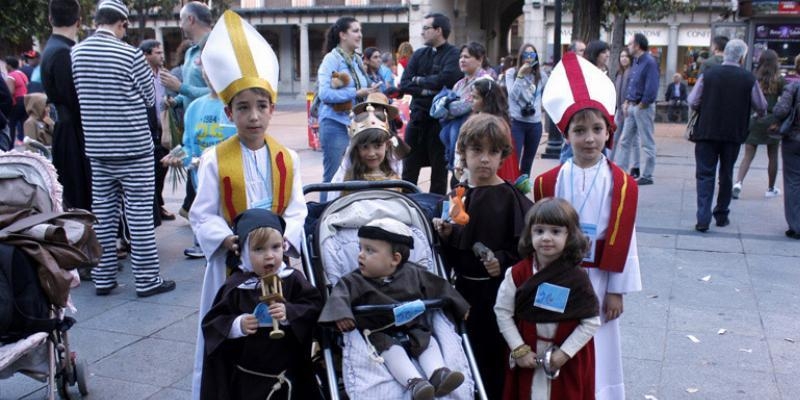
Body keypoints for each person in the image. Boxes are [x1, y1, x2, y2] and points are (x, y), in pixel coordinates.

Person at [188, 11, 308, 399]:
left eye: (261, 105)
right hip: (232, 266)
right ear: (229, 113)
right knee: (233, 328)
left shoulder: (286, 157)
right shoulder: (214, 159)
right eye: (242, 107)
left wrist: (281, 241)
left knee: (280, 325)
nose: (253, 116)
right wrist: (226, 241)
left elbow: (296, 210)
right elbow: (202, 213)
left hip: (277, 259)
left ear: (272, 108)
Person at [537, 51, 642, 399]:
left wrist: (617, 289)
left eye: (597, 129)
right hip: (558, 277)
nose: (589, 139)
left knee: (600, 344)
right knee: (558, 336)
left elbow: (626, 239)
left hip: (599, 278)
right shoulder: (549, 182)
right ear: (565, 134)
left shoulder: (621, 183)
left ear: (609, 131)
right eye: (579, 131)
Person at [71, 0, 174, 297]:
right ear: (123, 24)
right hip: (134, 147)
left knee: (103, 215)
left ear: (96, 21)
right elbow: (147, 96)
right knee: (139, 214)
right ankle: (147, 280)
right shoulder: (129, 55)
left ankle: (103, 277)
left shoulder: (76, 53)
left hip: (98, 147)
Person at [433, 114, 534, 399]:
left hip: (498, 294)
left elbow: (524, 249)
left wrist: (501, 260)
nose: (485, 159)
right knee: (464, 353)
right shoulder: (457, 196)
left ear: (503, 155)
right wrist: (445, 235)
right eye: (477, 150)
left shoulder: (511, 197)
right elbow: (451, 251)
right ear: (463, 153)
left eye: (493, 151)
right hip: (463, 291)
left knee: (494, 357)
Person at [318, 217, 470, 400]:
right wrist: (341, 315)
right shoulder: (353, 281)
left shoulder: (414, 273)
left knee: (428, 342)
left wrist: (460, 305)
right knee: (391, 351)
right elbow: (338, 297)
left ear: (395, 259)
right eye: (360, 248)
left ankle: (438, 373)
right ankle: (415, 382)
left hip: (413, 326)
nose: (360, 255)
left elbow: (440, 286)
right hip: (378, 332)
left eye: (369, 250)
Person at [200, 208, 322, 400]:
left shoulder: (292, 280)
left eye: (275, 247)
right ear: (244, 253)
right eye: (259, 249)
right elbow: (214, 324)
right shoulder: (237, 286)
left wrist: (289, 312)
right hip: (248, 379)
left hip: (289, 373)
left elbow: (313, 307)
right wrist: (237, 325)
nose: (269, 256)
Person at [495, 197, 601, 399]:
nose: (546, 238)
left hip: (564, 362)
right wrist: (519, 349)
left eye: (555, 231)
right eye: (539, 231)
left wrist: (564, 353)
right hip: (528, 356)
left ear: (569, 235)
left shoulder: (577, 278)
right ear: (530, 234)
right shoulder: (517, 274)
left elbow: (591, 321)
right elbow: (502, 311)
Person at [160, 46, 236, 259]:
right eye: (206, 68)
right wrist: (178, 156)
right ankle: (202, 244)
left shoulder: (234, 106)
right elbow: (189, 147)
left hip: (232, 185)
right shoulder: (194, 108)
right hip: (201, 183)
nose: (209, 74)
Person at [687, 39, 767, 232]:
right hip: (733, 133)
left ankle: (703, 218)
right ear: (742, 57)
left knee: (705, 174)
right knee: (726, 173)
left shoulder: (709, 74)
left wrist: (706, 107)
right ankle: (721, 214)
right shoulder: (748, 79)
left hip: (707, 131)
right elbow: (762, 106)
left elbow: (693, 100)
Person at [399, 12, 461, 195]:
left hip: (440, 124)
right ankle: (406, 207)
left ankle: (435, 215)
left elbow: (447, 79)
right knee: (409, 169)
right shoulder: (418, 54)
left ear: (438, 30)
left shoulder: (454, 54)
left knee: (439, 173)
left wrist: (418, 82)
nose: (422, 33)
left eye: (426, 28)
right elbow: (404, 84)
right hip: (417, 120)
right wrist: (429, 89)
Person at [317, 17, 377, 202]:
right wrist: (356, 92)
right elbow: (324, 93)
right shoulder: (331, 59)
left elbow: (362, 89)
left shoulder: (357, 60)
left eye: (360, 30)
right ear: (342, 35)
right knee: (333, 176)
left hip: (356, 124)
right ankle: (322, 217)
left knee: (355, 173)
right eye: (355, 30)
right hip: (334, 123)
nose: (360, 35)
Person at [41, 0, 92, 212]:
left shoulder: (55, 48)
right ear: (79, 22)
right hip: (74, 133)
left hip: (70, 130)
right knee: (80, 196)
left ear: (50, 19)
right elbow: (74, 99)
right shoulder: (64, 52)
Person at [328, 93, 402, 200]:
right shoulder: (348, 181)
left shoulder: (394, 175)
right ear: (357, 149)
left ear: (387, 145)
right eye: (365, 147)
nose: (371, 153)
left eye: (377, 146)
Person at [733, 49, 785, 199]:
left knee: (748, 155)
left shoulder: (753, 77)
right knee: (773, 155)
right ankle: (770, 188)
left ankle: (738, 183)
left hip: (755, 119)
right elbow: (784, 102)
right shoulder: (780, 80)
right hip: (772, 120)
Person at [437, 42, 491, 173]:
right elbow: (447, 111)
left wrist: (448, 106)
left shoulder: (485, 81)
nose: (462, 60)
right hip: (456, 137)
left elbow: (465, 106)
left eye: (466, 57)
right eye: (461, 57)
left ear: (480, 59)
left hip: (475, 135)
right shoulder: (459, 84)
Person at [615, 33, 660, 185]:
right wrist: (628, 101)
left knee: (647, 141)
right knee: (625, 140)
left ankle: (647, 175)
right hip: (634, 105)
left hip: (642, 106)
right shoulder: (637, 61)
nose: (628, 46)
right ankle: (621, 171)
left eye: (630, 44)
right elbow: (633, 84)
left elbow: (652, 87)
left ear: (637, 45)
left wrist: (642, 104)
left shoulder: (649, 62)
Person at [140, 39, 175, 222]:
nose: (161, 56)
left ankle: (158, 205)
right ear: (146, 55)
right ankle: (152, 209)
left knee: (162, 168)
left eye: (162, 52)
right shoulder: (140, 74)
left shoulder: (164, 75)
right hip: (146, 129)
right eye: (157, 53)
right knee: (151, 171)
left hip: (164, 128)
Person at [159, 1, 212, 112]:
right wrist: (176, 101)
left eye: (181, 19)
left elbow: (220, 92)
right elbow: (191, 89)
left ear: (191, 19)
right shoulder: (190, 52)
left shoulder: (216, 48)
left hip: (211, 124)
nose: (180, 25)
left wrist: (180, 87)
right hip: (191, 122)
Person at [506, 43, 548, 176]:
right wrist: (520, 76)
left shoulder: (541, 75)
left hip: (535, 124)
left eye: (532, 55)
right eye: (526, 55)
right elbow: (512, 95)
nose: (529, 58)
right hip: (517, 122)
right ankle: (512, 190)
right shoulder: (511, 73)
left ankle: (522, 192)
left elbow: (548, 93)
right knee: (514, 159)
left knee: (527, 163)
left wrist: (541, 106)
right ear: (521, 57)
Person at [470, 78, 521, 183]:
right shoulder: (477, 116)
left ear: (486, 100)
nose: (471, 101)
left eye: (475, 98)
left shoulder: (496, 124)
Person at [773, 54, 800, 240]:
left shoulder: (793, 87)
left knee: (792, 181)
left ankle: (796, 225)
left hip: (794, 138)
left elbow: (781, 110)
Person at [558, 40, 587, 163]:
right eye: (581, 51)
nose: (584, 54)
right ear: (572, 53)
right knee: (568, 150)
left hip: (581, 114)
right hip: (569, 116)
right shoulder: (565, 70)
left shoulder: (584, 68)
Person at [609, 49, 635, 169]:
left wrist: (627, 103)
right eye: (622, 56)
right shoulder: (619, 73)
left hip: (628, 109)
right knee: (614, 137)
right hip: (619, 110)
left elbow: (632, 90)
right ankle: (609, 161)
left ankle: (629, 166)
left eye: (626, 56)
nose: (623, 58)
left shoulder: (632, 72)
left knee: (628, 140)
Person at [4, 57, 29, 142]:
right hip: (26, 100)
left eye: (6, 65)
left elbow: (10, 91)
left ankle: (10, 145)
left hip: (17, 102)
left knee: (12, 124)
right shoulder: (21, 74)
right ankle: (25, 141)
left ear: (9, 66)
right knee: (23, 123)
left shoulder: (11, 76)